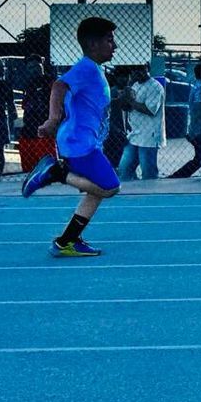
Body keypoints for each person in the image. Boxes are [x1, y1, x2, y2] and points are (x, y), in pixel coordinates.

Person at [21, 16, 123, 257]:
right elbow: (59, 86)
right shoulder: (86, 68)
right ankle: (57, 172)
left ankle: (66, 241)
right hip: (79, 144)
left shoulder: (94, 69)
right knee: (110, 188)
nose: (115, 46)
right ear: (93, 44)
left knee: (95, 191)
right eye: (110, 40)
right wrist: (53, 119)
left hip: (84, 142)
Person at [118, 65, 166, 180]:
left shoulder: (155, 86)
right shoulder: (135, 85)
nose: (137, 72)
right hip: (135, 134)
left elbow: (150, 110)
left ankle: (150, 189)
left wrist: (130, 101)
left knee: (148, 172)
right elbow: (126, 107)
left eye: (141, 69)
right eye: (134, 69)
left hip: (149, 135)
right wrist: (126, 92)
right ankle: (133, 189)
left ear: (147, 68)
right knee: (124, 169)